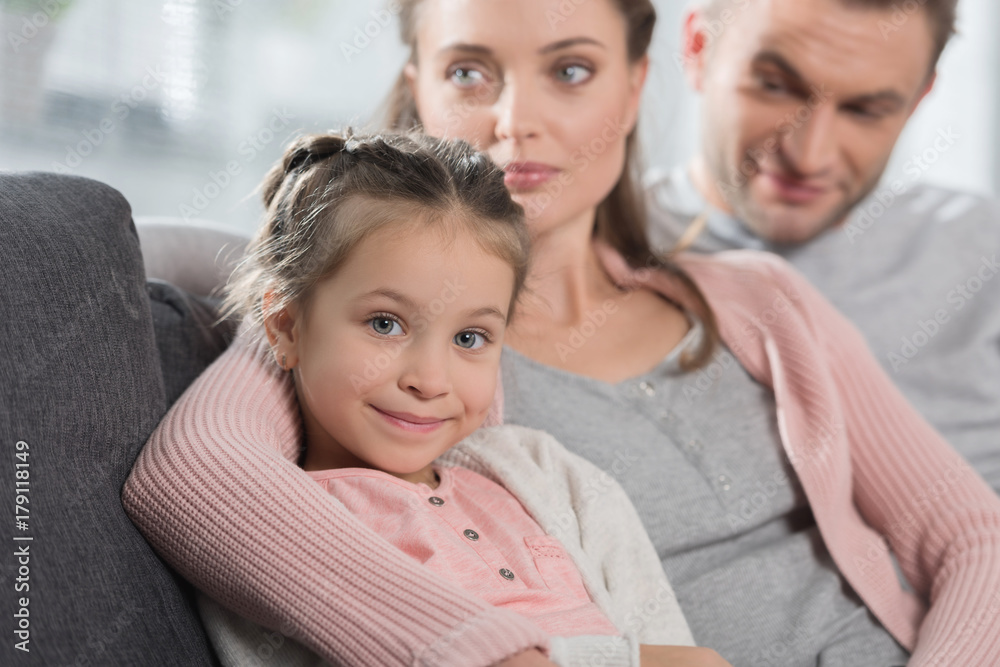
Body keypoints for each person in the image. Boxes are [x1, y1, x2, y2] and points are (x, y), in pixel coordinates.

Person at [122, 1, 1000, 666]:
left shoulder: (761, 299)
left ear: (637, 83)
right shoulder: (363, 335)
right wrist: (509, 654)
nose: (516, 120)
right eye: (469, 72)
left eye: (571, 71)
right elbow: (191, 474)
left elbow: (972, 535)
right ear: (418, 85)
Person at [191, 129, 701, 667]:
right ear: (286, 326)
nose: (430, 380)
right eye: (385, 324)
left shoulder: (544, 471)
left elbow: (670, 643)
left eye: (469, 339)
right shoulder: (280, 536)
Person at [648, 0, 1000, 492]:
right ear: (698, 50)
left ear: (918, 99)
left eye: (865, 110)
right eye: (774, 86)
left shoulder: (980, 244)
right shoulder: (583, 255)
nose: (809, 156)